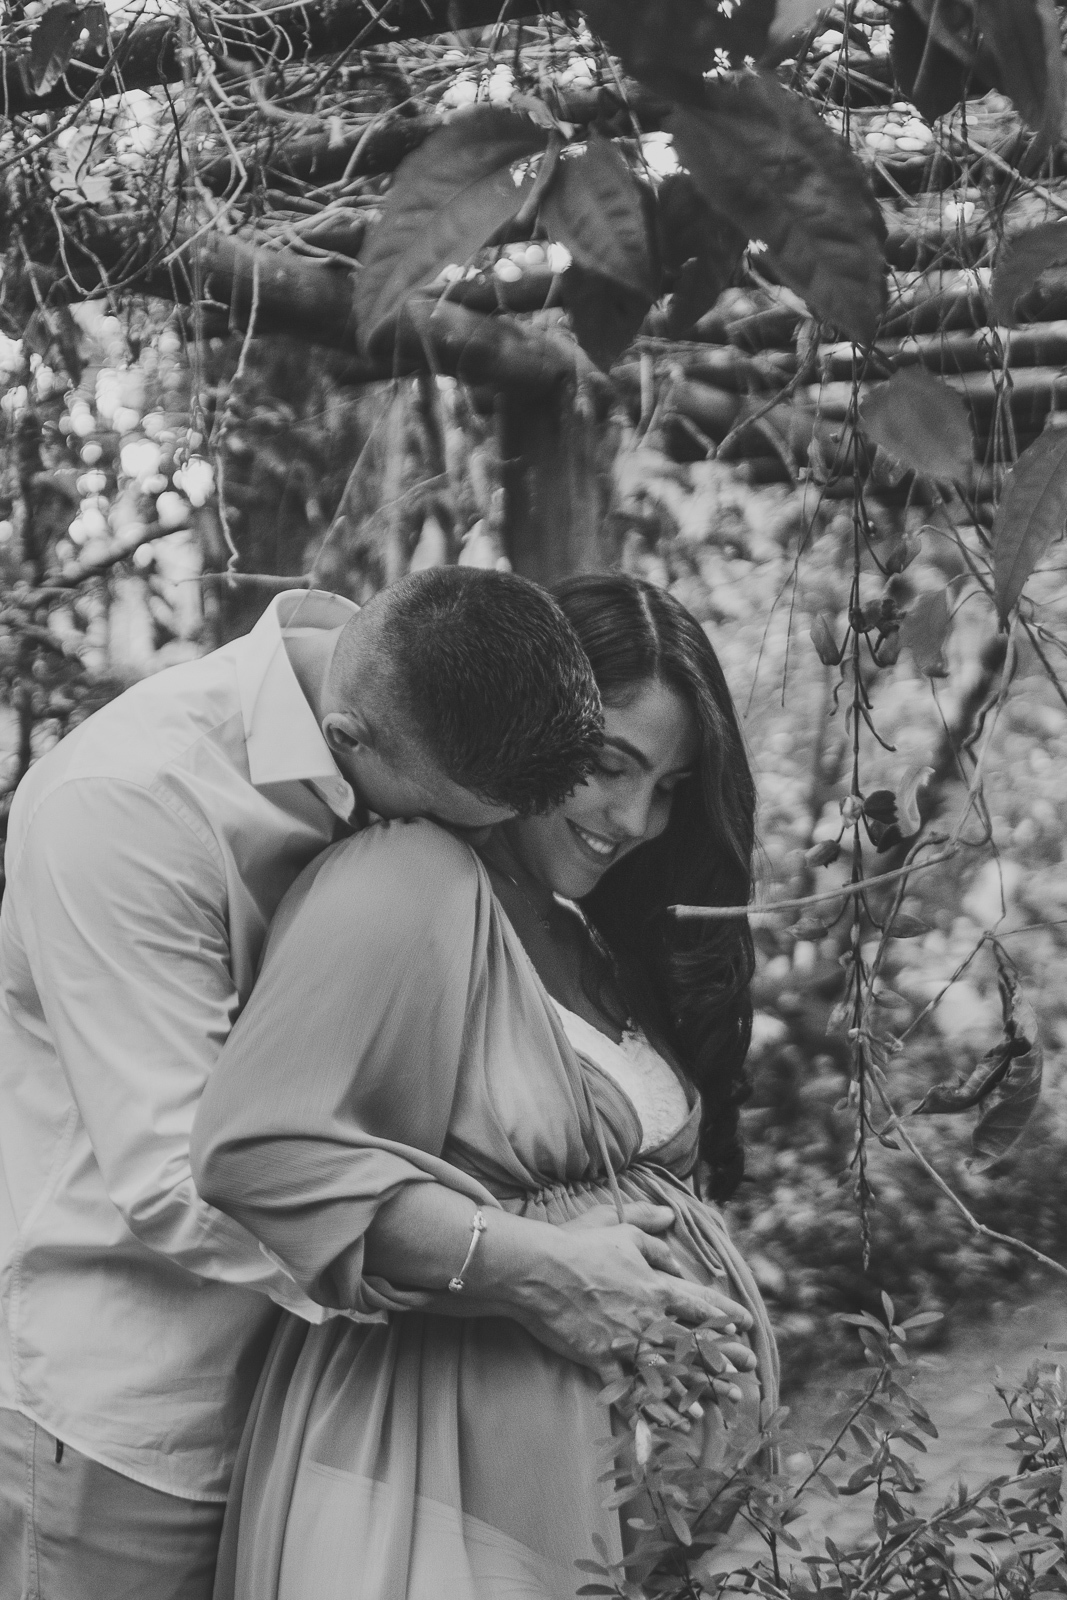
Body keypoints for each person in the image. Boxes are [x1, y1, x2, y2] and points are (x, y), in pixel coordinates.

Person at [0, 570, 606, 1600]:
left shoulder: (435, 710)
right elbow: (177, 1178)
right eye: (440, 820)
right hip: (145, 1424)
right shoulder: (125, 807)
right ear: (347, 739)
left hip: (336, 1415)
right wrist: (504, 1262)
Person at [192, 573, 779, 1600]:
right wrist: (537, 1266)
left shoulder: (582, 923)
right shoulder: (406, 881)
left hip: (590, 1500)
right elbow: (257, 1151)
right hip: (435, 1476)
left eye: (670, 786)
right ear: (535, 733)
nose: (637, 818)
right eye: (610, 766)